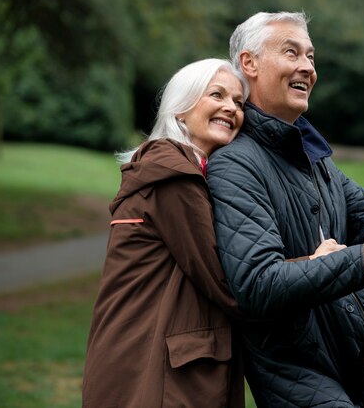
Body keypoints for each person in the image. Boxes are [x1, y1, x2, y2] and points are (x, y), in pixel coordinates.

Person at [206, 12, 364, 407]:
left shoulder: (314, 157)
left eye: (311, 57)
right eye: (291, 52)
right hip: (301, 376)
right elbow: (257, 285)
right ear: (249, 63)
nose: (307, 67)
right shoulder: (235, 165)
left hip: (359, 361)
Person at [82, 58, 250, 408]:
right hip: (156, 373)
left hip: (140, 359)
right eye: (216, 94)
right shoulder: (173, 175)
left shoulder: (177, 168)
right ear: (181, 109)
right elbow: (227, 279)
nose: (230, 107)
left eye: (238, 102)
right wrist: (314, 264)